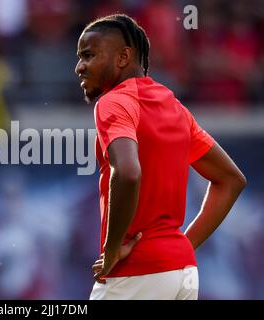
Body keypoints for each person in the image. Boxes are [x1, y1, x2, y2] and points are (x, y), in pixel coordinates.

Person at [74, 13, 247, 300]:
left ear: (122, 57)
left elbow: (128, 172)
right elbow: (231, 180)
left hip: (136, 275)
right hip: (183, 274)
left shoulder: (113, 103)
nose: (80, 67)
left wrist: (113, 249)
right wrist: (182, 246)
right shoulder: (174, 106)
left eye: (89, 55)